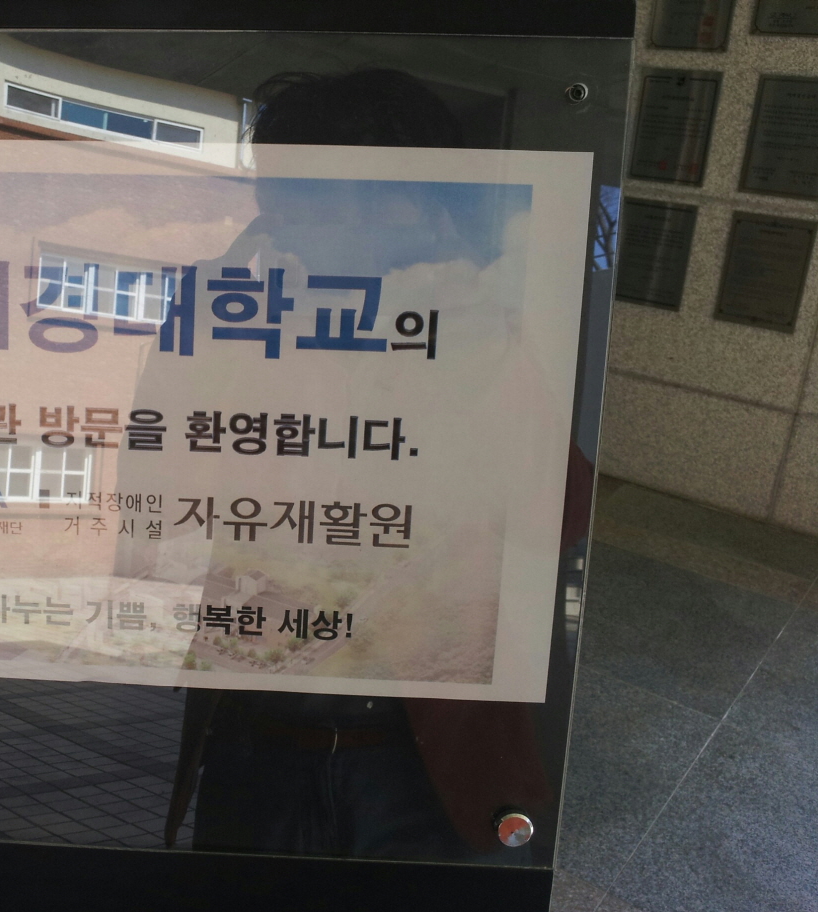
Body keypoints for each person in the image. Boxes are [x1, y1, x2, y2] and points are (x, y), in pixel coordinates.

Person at [162, 69, 595, 860]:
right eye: (271, 190)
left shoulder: (487, 322)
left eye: (305, 194)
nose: (276, 216)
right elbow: (159, 496)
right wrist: (206, 334)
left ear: (408, 203)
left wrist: (468, 337)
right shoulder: (244, 320)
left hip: (426, 766)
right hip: (258, 738)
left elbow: (555, 520)